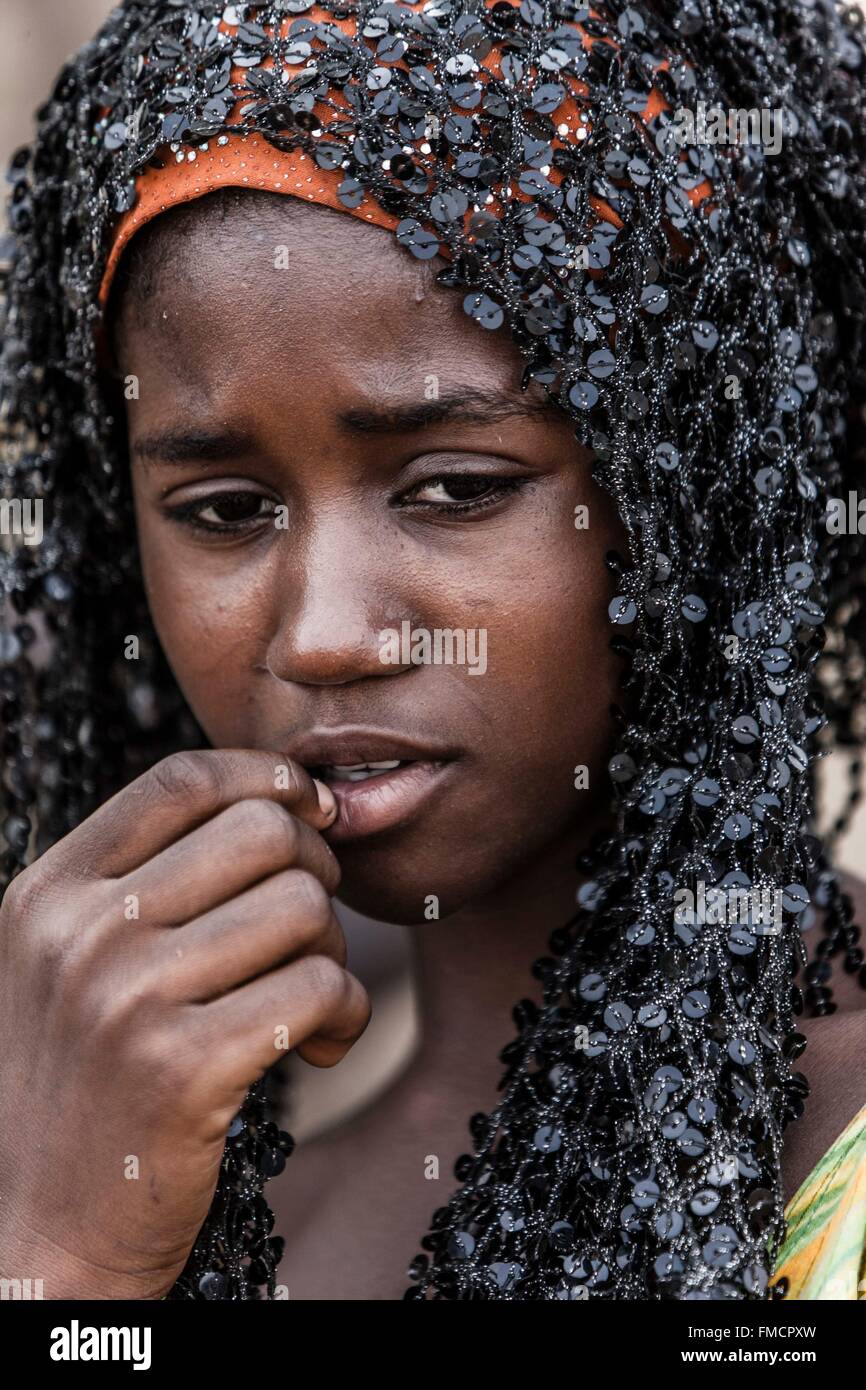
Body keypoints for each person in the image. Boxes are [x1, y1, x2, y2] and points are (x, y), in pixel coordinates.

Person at [2, 0, 866, 1302]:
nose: (324, 635)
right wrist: (66, 1261)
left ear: (700, 489)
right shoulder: (158, 1184)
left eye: (454, 487)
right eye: (224, 511)